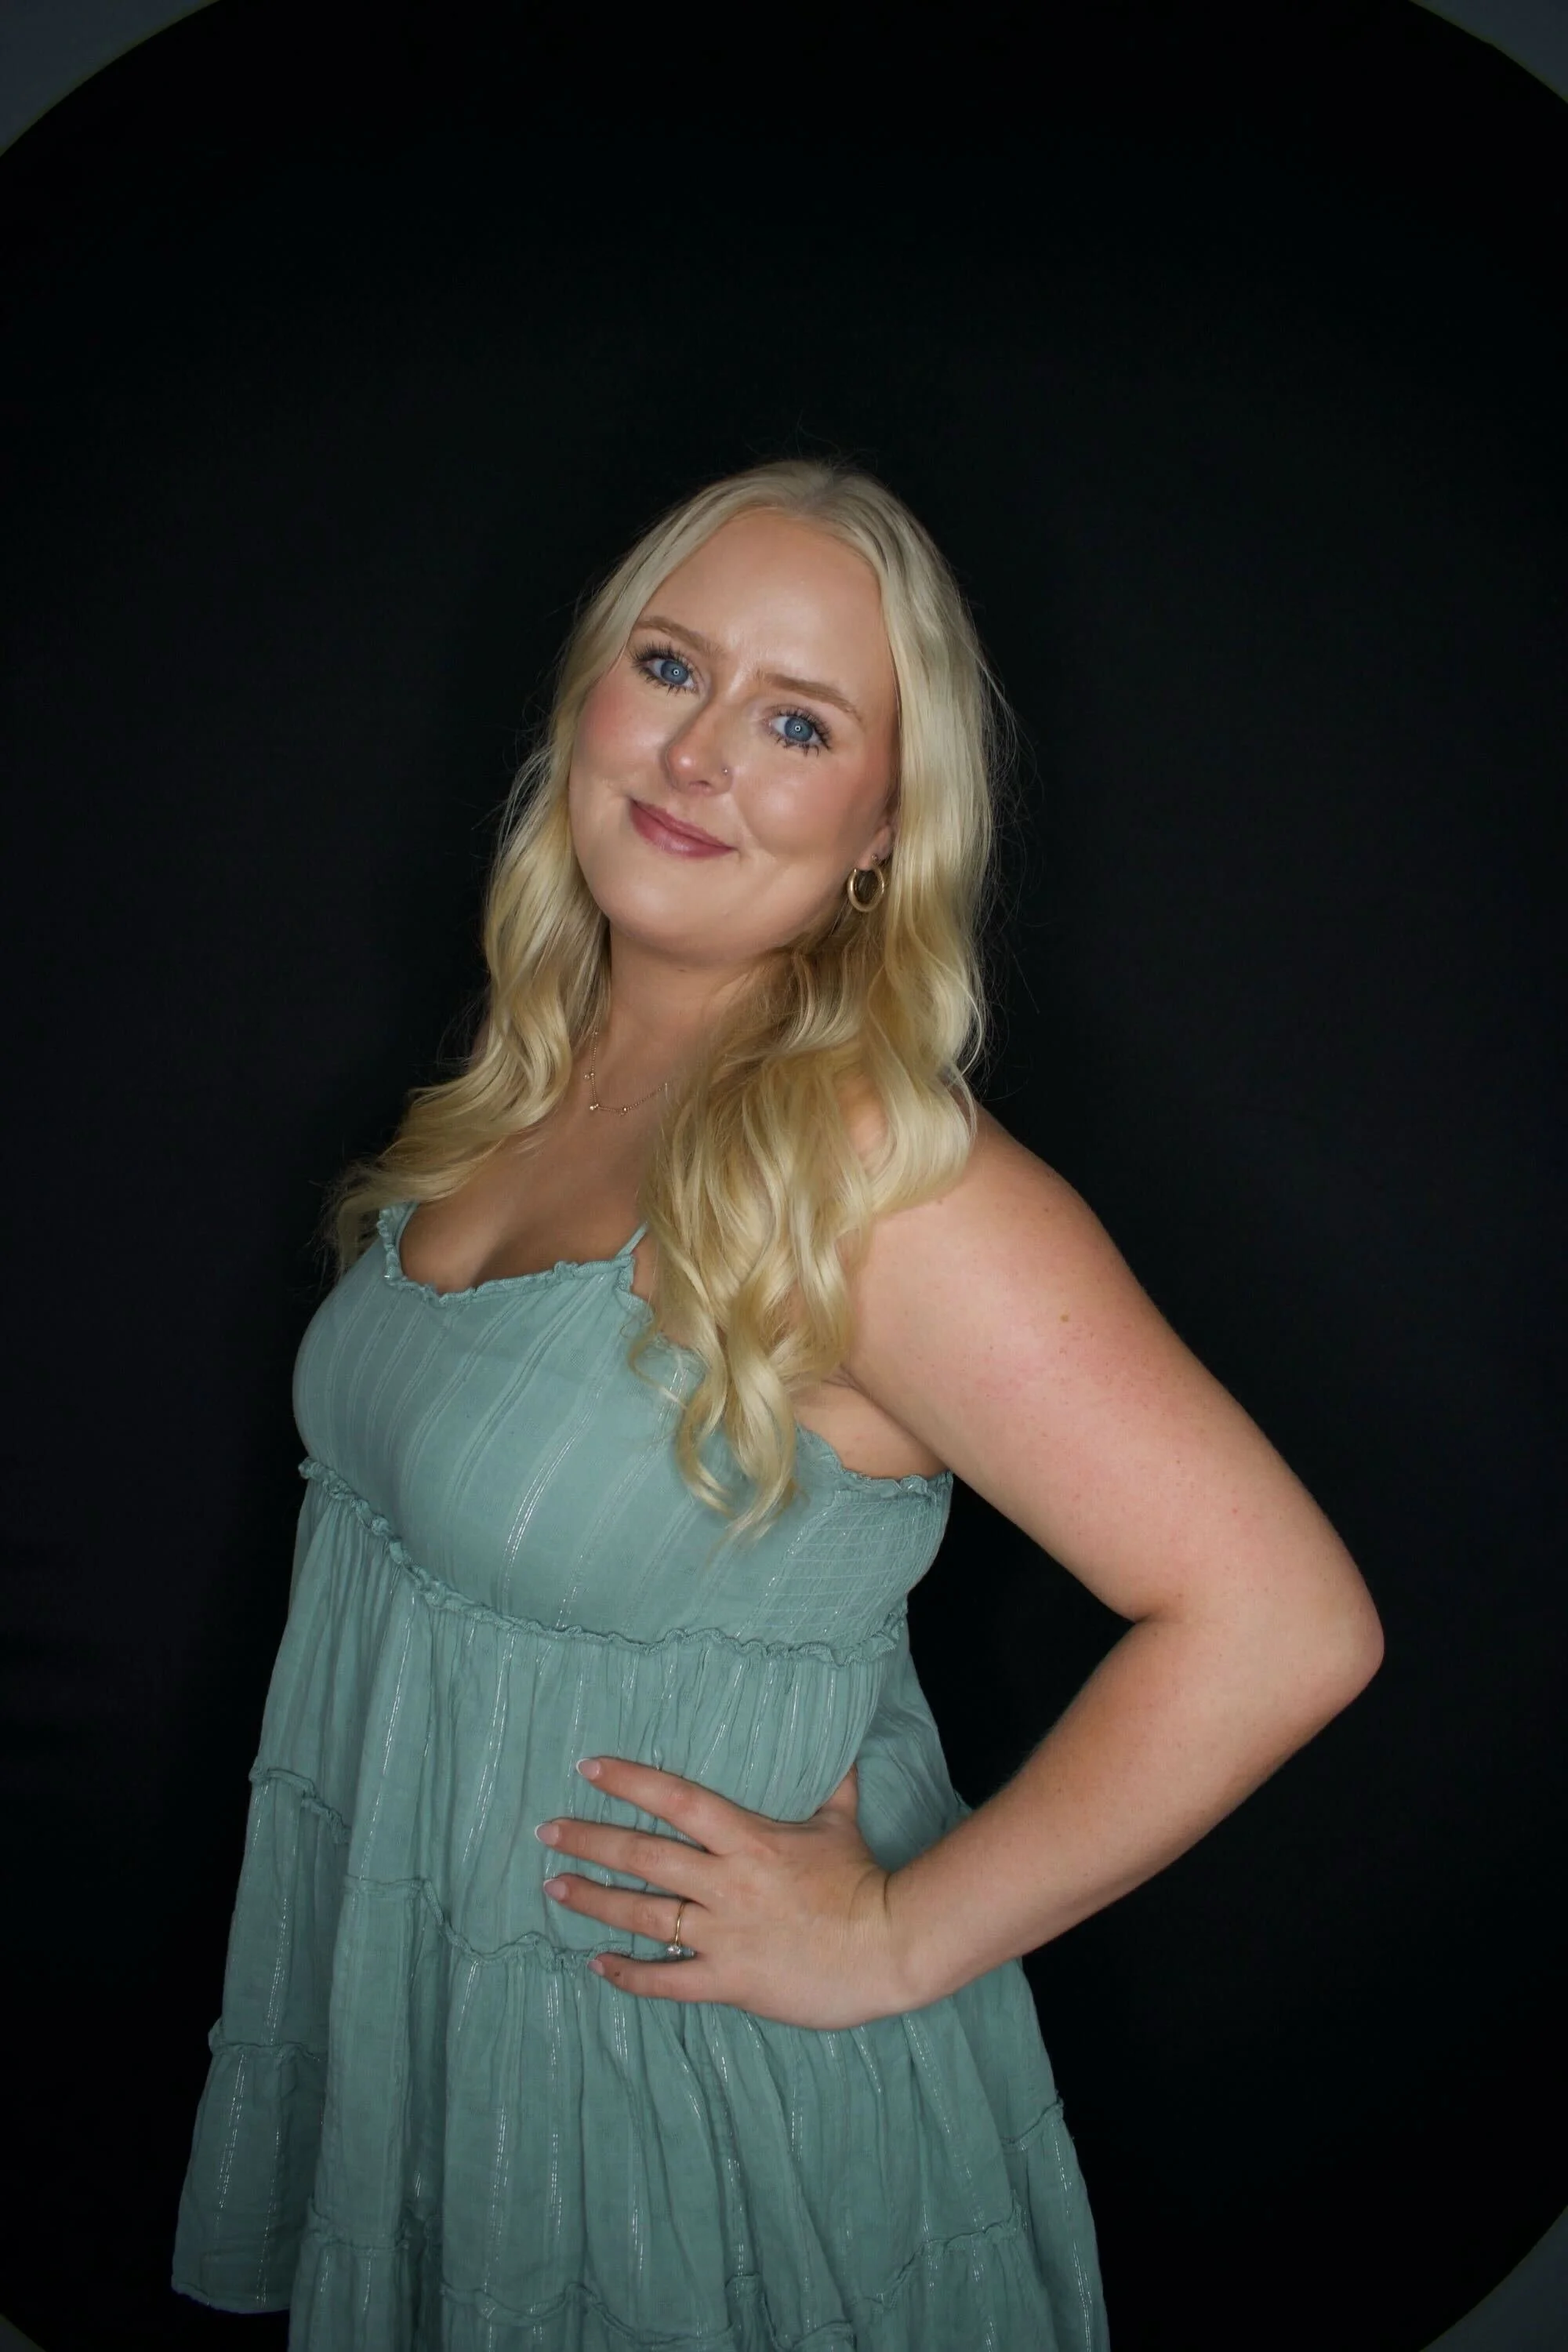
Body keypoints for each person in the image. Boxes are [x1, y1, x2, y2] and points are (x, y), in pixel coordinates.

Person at [171, 457, 1384, 2348]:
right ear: (587, 694)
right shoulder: (532, 1078)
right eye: (671, 666)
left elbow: (1283, 1624)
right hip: (452, 2040)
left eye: (798, 721)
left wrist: (893, 1935)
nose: (697, 752)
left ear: (885, 827)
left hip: (683, 2110)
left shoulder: (878, 1180)